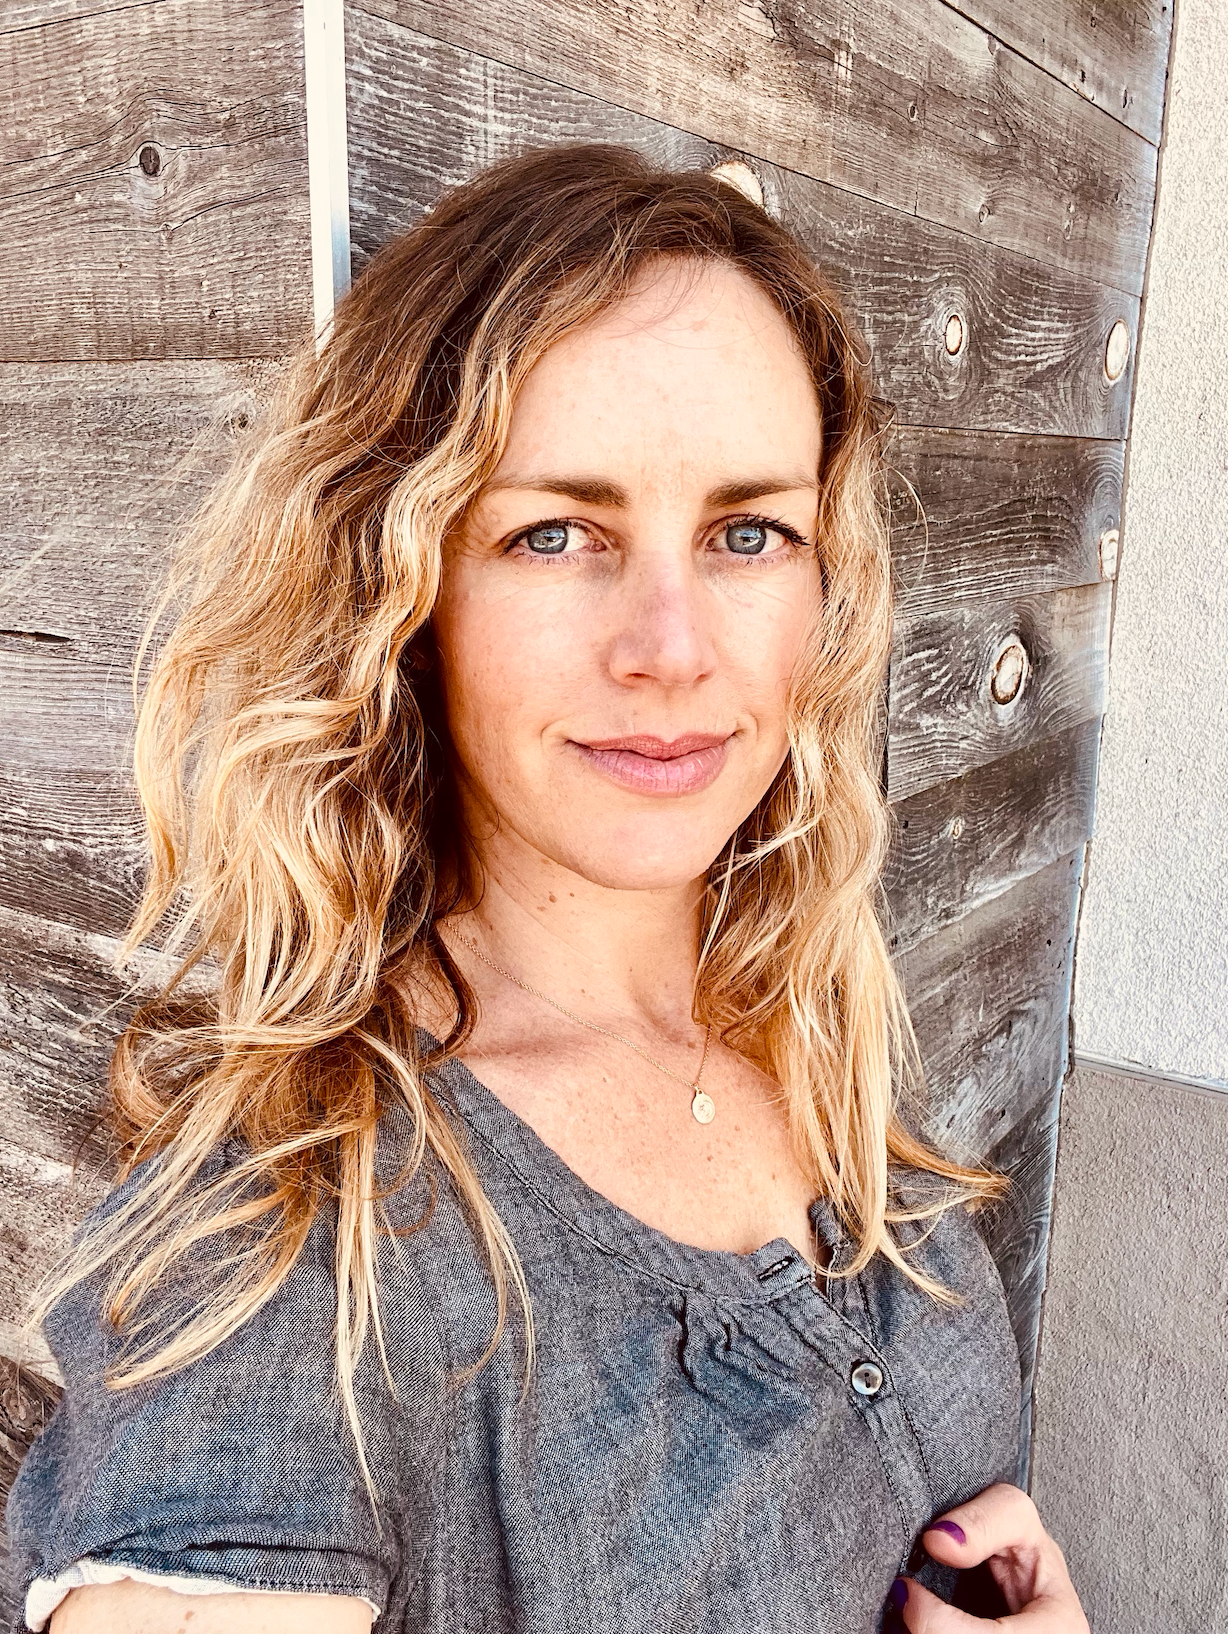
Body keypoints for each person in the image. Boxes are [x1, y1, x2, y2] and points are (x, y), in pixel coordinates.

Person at [6, 143, 1088, 1634]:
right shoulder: (301, 1245)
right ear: (406, 591)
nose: (671, 644)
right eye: (556, 532)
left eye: (747, 531)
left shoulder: (801, 1019)